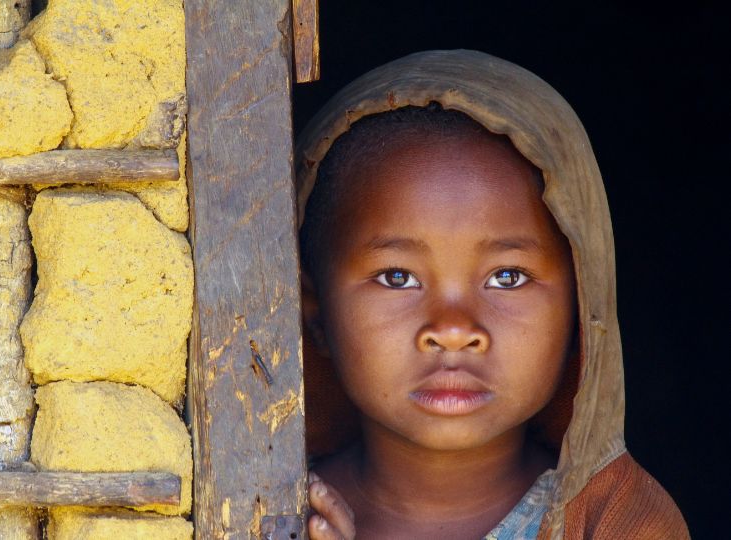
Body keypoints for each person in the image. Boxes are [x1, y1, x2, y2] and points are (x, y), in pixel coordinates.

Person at [295, 50, 689, 539]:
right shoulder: (252, 504)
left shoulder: (619, 521)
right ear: (314, 312)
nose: (455, 330)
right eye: (398, 277)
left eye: (508, 277)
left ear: (582, 310)